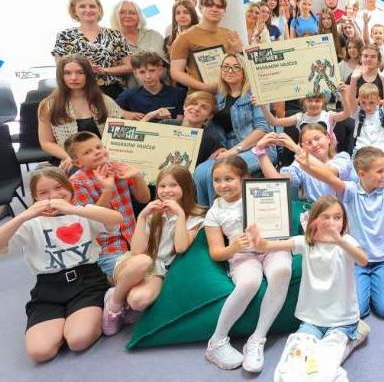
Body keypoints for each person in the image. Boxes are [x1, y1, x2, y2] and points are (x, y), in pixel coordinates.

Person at [0, 167, 122, 363]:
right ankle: (65, 324)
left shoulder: (83, 212)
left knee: (78, 340)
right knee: (40, 352)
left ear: (69, 188)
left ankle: (92, 312)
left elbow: (116, 219)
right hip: (48, 289)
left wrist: (71, 209)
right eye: (43, 192)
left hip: (87, 281)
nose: (53, 196)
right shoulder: (30, 224)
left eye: (58, 187)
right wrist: (24, 215)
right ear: (35, 198)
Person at [250, 196, 368, 381]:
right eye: (326, 217)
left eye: (337, 217)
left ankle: (353, 334)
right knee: (293, 360)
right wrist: (259, 241)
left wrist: (340, 241)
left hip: (342, 320)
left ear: (343, 221)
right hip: (312, 320)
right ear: (314, 221)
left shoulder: (347, 242)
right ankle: (352, 338)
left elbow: (363, 260)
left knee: (323, 365)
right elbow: (270, 245)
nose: (332, 222)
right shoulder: (305, 243)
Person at [297, 146, 384, 318]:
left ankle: (377, 285)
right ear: (361, 174)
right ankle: (366, 287)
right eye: (379, 171)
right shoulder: (350, 190)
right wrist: (307, 167)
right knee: (359, 310)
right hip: (357, 260)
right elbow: (328, 177)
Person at [203, 156, 293, 372]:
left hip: (271, 247)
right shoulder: (215, 212)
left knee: (282, 270)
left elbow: (282, 193)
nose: (222, 185)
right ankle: (217, 341)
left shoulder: (259, 193)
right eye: (217, 180)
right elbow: (216, 253)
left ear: (244, 178)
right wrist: (233, 247)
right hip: (242, 255)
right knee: (249, 282)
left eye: (229, 179)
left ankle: (257, 339)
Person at [102, 166, 204, 335]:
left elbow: (181, 247)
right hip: (135, 263)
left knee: (138, 301)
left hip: (158, 269)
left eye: (173, 185)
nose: (167, 190)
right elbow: (137, 251)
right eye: (162, 186)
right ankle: (115, 304)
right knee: (144, 260)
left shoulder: (196, 217)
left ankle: (122, 296)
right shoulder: (153, 212)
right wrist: (142, 216)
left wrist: (179, 215)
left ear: (185, 187)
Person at [64, 131, 151, 277]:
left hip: (135, 240)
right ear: (77, 162)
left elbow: (144, 199)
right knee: (139, 275)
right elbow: (90, 220)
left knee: (154, 274)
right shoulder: (77, 182)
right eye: (87, 152)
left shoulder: (119, 168)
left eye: (99, 147)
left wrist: (137, 176)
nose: (97, 152)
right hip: (106, 249)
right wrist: (107, 190)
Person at [192, 53, 270, 206]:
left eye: (236, 67)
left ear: (244, 71)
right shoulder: (219, 96)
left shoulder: (255, 94)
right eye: (226, 67)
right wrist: (219, 147)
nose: (230, 71)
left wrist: (235, 150)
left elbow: (262, 129)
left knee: (217, 172)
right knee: (200, 171)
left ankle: (221, 212)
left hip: (256, 148)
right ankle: (205, 213)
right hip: (227, 148)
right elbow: (214, 126)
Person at [38, 55, 125, 171]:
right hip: (68, 160)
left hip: (103, 160)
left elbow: (119, 138)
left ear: (88, 75)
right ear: (61, 76)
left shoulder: (106, 101)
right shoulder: (48, 105)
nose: (74, 78)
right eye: (67, 73)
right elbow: (46, 143)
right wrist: (70, 157)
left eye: (80, 73)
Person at [52, 0, 132, 98]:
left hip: (110, 91)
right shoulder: (64, 36)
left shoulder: (115, 35)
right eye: (82, 6)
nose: (88, 10)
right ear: (74, 11)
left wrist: (104, 71)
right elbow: (60, 68)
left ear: (99, 10)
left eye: (92, 6)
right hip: (77, 92)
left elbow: (129, 66)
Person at [256, 126, 355, 203]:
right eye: (308, 143)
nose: (314, 144)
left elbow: (329, 173)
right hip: (316, 215)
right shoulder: (300, 165)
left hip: (341, 215)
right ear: (303, 147)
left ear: (328, 138)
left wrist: (295, 148)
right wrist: (260, 152)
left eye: (317, 138)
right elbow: (277, 181)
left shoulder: (342, 158)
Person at [169, 0, 243, 93]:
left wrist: (239, 51)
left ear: (224, 11)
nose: (214, 9)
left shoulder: (230, 35)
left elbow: (240, 66)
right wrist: (203, 87)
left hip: (227, 95)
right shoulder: (185, 37)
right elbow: (176, 72)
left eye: (219, 6)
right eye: (209, 5)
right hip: (201, 97)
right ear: (200, 8)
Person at [157, 91, 225, 165]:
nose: (197, 109)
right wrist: (149, 116)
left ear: (209, 116)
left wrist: (222, 152)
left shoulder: (210, 139)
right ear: (184, 106)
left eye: (204, 107)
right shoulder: (165, 124)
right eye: (194, 103)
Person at [115, 51, 185, 120]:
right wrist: (124, 113)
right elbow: (113, 111)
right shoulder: (128, 95)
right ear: (135, 74)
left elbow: (181, 121)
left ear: (160, 70)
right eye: (142, 72)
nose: (148, 76)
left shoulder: (177, 94)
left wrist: (170, 120)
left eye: (152, 71)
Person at [112, 0, 166, 65]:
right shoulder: (110, 39)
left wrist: (128, 60)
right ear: (116, 16)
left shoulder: (154, 35)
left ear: (139, 17)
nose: (128, 16)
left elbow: (158, 60)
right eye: (122, 12)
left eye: (132, 13)